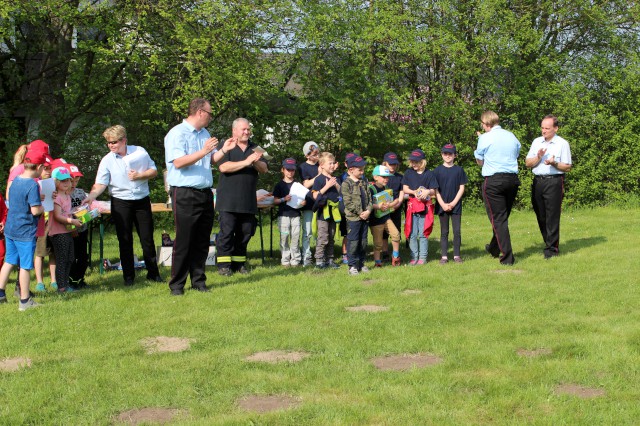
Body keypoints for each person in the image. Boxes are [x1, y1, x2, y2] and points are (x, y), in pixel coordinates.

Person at [84, 125, 163, 286]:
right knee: (124, 240)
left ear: (124, 140)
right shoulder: (107, 160)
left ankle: (153, 274)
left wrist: (140, 175)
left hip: (142, 200)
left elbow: (154, 171)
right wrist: (91, 197)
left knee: (147, 238)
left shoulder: (139, 152)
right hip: (120, 201)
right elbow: (100, 183)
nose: (111, 145)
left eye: (114, 142)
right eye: (108, 143)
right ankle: (128, 277)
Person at [164, 98, 228, 295]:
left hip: (205, 192)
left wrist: (226, 148)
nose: (211, 117)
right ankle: (177, 285)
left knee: (202, 240)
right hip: (185, 193)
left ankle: (199, 281)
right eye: (209, 113)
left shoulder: (205, 133)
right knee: (184, 240)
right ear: (200, 112)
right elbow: (179, 162)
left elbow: (212, 159)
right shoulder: (177, 133)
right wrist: (204, 151)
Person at [215, 118, 268, 276]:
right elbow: (223, 167)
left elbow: (264, 168)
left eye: (248, 129)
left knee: (246, 232)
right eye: (243, 129)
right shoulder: (226, 146)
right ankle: (224, 265)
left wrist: (256, 162)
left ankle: (239, 263)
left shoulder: (256, 148)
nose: (247, 132)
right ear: (234, 131)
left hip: (248, 199)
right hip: (228, 199)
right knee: (227, 232)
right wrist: (246, 162)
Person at [0, 150, 46, 310]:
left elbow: (18, 201)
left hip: (10, 229)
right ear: (39, 167)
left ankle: (0, 294)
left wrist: (36, 201)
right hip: (25, 232)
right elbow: (34, 211)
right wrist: (42, 206)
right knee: (25, 266)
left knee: (9, 261)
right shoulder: (33, 184)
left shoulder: (16, 180)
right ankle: (25, 301)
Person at [474, 110, 521, 265]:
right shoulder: (511, 136)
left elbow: (480, 162)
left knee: (498, 219)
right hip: (512, 180)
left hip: (494, 181)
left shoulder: (485, 138)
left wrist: (481, 140)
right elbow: (516, 154)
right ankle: (494, 248)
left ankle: (507, 257)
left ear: (487, 124)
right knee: (502, 218)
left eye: (482, 123)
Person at [525, 115, 572, 259]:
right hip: (538, 181)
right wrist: (538, 157)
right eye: (542, 127)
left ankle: (552, 249)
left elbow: (568, 167)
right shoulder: (536, 142)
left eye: (547, 128)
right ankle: (548, 242)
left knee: (552, 215)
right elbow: (527, 163)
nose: (543, 131)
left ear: (555, 128)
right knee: (541, 215)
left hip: (554, 181)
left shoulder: (562, 144)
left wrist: (554, 163)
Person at [49, 167, 83, 293]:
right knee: (62, 260)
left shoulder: (67, 196)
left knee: (70, 258)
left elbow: (67, 212)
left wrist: (78, 212)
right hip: (58, 233)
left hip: (67, 231)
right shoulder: (57, 197)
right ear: (56, 182)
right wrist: (72, 221)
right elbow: (58, 216)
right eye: (62, 181)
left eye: (68, 180)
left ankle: (65, 284)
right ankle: (61, 287)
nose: (66, 183)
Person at [402, 149, 438, 265]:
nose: (413, 164)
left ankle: (422, 258)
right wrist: (414, 191)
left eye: (416, 162)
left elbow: (433, 189)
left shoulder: (429, 174)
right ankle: (414, 257)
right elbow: (405, 189)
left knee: (423, 233)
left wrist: (427, 191)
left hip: (425, 207)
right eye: (412, 162)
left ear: (422, 162)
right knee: (412, 233)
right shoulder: (408, 172)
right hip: (412, 206)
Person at [434, 144, 468, 264]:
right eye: (445, 154)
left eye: (450, 154)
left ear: (455, 155)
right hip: (441, 205)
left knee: (457, 231)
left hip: (456, 206)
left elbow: (461, 188)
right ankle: (444, 256)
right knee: (444, 232)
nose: (448, 156)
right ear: (442, 155)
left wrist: (453, 203)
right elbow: (435, 190)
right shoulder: (437, 171)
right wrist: (443, 204)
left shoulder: (459, 170)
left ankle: (457, 255)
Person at [341, 155, 372, 275]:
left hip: (365, 217)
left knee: (363, 242)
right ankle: (352, 266)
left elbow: (370, 199)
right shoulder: (346, 184)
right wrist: (360, 212)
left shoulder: (364, 182)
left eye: (363, 169)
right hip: (354, 218)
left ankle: (361, 263)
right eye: (360, 170)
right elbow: (348, 203)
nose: (362, 172)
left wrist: (368, 211)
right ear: (351, 170)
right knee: (353, 242)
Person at [311, 152, 341, 269]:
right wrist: (327, 186)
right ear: (322, 165)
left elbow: (340, 193)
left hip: (334, 212)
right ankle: (319, 260)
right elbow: (315, 196)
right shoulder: (319, 179)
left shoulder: (335, 178)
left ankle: (330, 259)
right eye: (330, 163)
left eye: (333, 163)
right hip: (323, 213)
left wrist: (337, 186)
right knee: (323, 237)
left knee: (331, 237)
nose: (333, 165)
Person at [369, 165, 402, 267]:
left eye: (387, 177)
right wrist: (378, 206)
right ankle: (378, 262)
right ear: (375, 177)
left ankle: (395, 257)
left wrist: (391, 205)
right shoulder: (371, 189)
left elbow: (395, 199)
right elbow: (368, 204)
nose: (386, 179)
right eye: (384, 177)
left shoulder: (386, 188)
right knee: (378, 243)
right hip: (376, 221)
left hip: (386, 218)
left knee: (396, 235)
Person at [272, 158, 303, 267]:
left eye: (292, 170)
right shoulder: (279, 185)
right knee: (284, 238)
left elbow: (303, 199)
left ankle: (295, 260)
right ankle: (285, 260)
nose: (290, 172)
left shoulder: (298, 185)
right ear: (283, 170)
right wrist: (283, 199)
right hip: (283, 216)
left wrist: (303, 203)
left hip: (296, 215)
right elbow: (274, 200)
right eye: (288, 169)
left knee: (295, 237)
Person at [297, 141, 319, 267]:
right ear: (307, 155)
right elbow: (306, 184)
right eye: (314, 154)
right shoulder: (303, 167)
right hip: (309, 204)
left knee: (319, 232)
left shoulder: (320, 165)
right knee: (308, 232)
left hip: (320, 204)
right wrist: (320, 174)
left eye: (318, 153)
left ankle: (319, 255)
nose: (316, 156)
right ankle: (306, 256)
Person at [68, 164, 89, 288]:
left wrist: (88, 213)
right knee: (71, 257)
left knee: (83, 257)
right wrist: (72, 228)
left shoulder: (80, 192)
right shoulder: (63, 194)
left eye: (77, 180)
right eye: (72, 180)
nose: (74, 183)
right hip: (69, 230)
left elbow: (86, 208)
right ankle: (71, 280)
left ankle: (80, 279)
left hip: (82, 229)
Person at [381, 152, 404, 259]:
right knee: (383, 231)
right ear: (384, 163)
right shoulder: (381, 177)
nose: (393, 166)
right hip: (383, 208)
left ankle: (396, 254)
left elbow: (401, 193)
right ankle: (385, 252)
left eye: (395, 164)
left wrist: (397, 205)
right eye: (391, 164)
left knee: (396, 229)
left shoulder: (400, 177)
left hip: (396, 208)